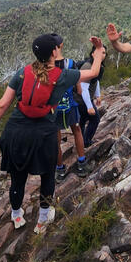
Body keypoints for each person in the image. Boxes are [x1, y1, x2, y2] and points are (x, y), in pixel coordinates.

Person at [0, 34, 105, 234]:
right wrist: (99, 52)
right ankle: (42, 220)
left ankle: (16, 215)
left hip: (16, 130)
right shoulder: (63, 75)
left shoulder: (22, 73)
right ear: (53, 52)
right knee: (47, 175)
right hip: (43, 132)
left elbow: (3, 104)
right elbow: (93, 72)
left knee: (17, 177)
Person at [49, 34, 87, 181]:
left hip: (53, 109)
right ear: (61, 45)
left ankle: (60, 169)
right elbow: (79, 89)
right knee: (77, 131)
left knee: (56, 138)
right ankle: (82, 163)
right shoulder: (71, 64)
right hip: (70, 106)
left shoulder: (46, 67)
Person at [76, 44, 106, 148]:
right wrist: (89, 106)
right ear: (93, 54)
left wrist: (97, 95)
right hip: (80, 99)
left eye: (104, 53)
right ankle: (86, 142)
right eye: (99, 53)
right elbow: (83, 89)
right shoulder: (88, 66)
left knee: (82, 120)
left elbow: (95, 81)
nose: (102, 55)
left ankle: (81, 142)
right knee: (95, 119)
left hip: (86, 98)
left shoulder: (98, 66)